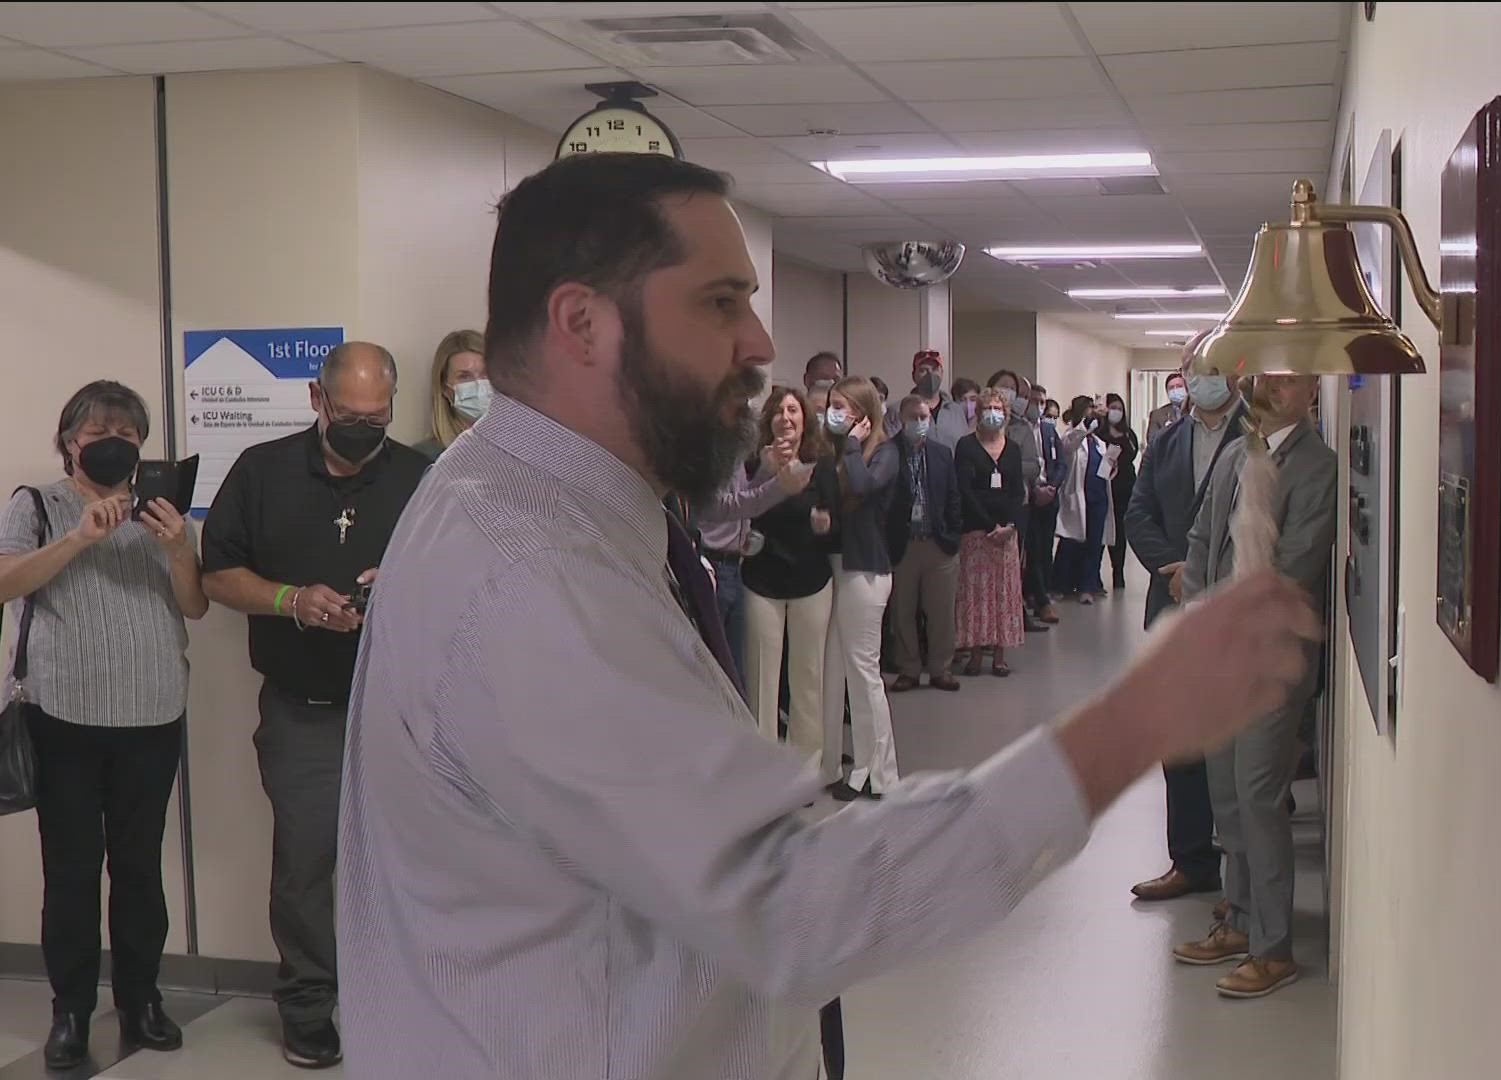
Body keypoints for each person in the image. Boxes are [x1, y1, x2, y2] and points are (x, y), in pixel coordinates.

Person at [334, 151, 1321, 1080]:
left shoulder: (539, 509)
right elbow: (791, 898)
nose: (760, 346)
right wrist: (1136, 721)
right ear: (583, 323)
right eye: (721, 304)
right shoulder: (523, 575)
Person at [200, 341, 430, 1070]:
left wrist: (401, 584)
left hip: (400, 709)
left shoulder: (422, 478)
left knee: (406, 862)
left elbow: (464, 576)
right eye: (349, 414)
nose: (365, 427)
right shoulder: (262, 472)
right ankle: (307, 1007)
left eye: (378, 414)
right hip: (304, 710)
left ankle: (401, 999)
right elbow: (217, 574)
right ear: (316, 401)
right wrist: (290, 601)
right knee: (305, 862)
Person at [0, 382, 206, 1069]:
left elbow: (195, 607)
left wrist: (179, 548)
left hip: (152, 715)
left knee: (141, 869)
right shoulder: (36, 503)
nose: (114, 439)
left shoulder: (161, 512)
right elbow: (5, 582)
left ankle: (142, 1000)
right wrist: (79, 539)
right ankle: (72, 1014)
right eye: (99, 429)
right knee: (72, 873)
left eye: (128, 430)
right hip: (63, 720)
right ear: (69, 441)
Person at [1173, 373, 1337, 999]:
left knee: (1259, 794)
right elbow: (1200, 541)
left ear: (1311, 392)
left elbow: (1294, 567)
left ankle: (1273, 948)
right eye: (1264, 376)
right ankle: (1239, 922)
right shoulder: (1241, 452)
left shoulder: (1316, 465)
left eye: (1289, 380)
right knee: (1226, 791)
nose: (1273, 388)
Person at [1124, 359, 1249, 903]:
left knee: (1235, 740)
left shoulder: (1258, 437)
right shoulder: (1167, 441)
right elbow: (1137, 513)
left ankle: (1242, 867)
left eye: (1217, 369)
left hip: (1233, 607)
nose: (1206, 380)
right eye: (1196, 370)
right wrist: (1173, 568)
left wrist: (1199, 575)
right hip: (1172, 604)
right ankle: (1191, 858)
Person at [739, 387, 838, 772]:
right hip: (761, 579)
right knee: (762, 678)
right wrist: (766, 471)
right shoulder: (752, 462)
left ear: (804, 419)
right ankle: (765, 769)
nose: (786, 416)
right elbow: (738, 506)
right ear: (769, 420)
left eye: (793, 409)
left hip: (810, 580)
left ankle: (805, 767)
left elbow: (834, 517)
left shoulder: (820, 462)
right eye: (779, 410)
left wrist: (824, 524)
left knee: (807, 678)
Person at [819, 375, 901, 801]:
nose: (834, 412)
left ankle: (877, 772)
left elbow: (866, 488)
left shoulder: (883, 452)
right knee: (835, 670)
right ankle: (833, 763)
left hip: (866, 574)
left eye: (843, 406)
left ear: (864, 414)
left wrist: (853, 447)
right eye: (832, 405)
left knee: (864, 674)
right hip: (834, 567)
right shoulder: (834, 452)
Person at [690, 435, 815, 671]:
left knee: (735, 667)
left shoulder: (733, 446)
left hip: (735, 566)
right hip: (712, 564)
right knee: (714, 667)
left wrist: (765, 473)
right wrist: (778, 486)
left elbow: (743, 498)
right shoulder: (706, 444)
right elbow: (718, 506)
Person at [884, 393, 963, 693]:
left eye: (924, 417)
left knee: (941, 612)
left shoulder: (942, 453)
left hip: (938, 543)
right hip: (903, 546)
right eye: (913, 418)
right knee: (903, 612)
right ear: (901, 420)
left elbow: (954, 497)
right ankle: (909, 668)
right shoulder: (888, 452)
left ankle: (941, 668)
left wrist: (953, 534)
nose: (919, 423)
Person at [952, 388, 1027, 678]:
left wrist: (1008, 525)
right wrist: (989, 526)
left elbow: (1017, 490)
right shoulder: (966, 446)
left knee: (1003, 592)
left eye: (998, 408)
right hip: (975, 531)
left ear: (1005, 414)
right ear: (979, 414)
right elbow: (965, 490)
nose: (993, 413)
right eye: (987, 408)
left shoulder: (1014, 449)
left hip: (1006, 533)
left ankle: (999, 655)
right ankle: (974, 653)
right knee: (975, 593)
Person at [985, 370, 1047, 634]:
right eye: (1004, 388)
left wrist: (1005, 465)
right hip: (983, 503)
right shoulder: (979, 424)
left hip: (1015, 502)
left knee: (1013, 564)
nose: (1010, 394)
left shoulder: (1022, 428)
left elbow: (1033, 466)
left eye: (1015, 391)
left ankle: (1016, 615)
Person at [1052, 396, 1118, 604]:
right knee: (1070, 543)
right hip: (1078, 497)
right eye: (1089, 409)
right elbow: (1069, 447)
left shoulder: (1098, 442)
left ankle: (1087, 587)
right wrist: (1085, 425)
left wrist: (1111, 466)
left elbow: (1103, 468)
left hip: (1098, 498)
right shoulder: (1071, 436)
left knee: (1095, 544)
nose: (1094, 413)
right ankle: (1060, 585)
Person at [1023, 380, 1066, 625]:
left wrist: (1052, 487)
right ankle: (1040, 601)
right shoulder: (1018, 429)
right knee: (1033, 550)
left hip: (1049, 497)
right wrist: (1035, 490)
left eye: (1042, 402)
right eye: (1034, 402)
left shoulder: (1049, 430)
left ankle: (1042, 594)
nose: (1038, 407)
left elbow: (1061, 463)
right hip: (1029, 497)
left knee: (1045, 550)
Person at [413, 329, 488, 461]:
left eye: (486, 374)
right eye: (464, 377)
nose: (479, 384)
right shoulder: (425, 457)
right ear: (445, 388)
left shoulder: (520, 446)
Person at [1100, 393, 1142, 592]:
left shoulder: (1128, 434)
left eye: (1119, 408)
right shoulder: (1099, 432)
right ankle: (1094, 576)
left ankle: (1118, 572)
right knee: (1102, 530)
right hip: (1104, 485)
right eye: (1112, 407)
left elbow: (1133, 454)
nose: (1116, 412)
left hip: (1125, 486)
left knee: (1120, 531)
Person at [908, 350, 974, 450]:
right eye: (923, 370)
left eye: (935, 369)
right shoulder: (900, 410)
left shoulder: (956, 411)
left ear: (942, 373)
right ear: (914, 375)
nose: (930, 374)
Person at [1147, 372, 1188, 439]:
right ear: (1167, 392)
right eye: (1171, 388)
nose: (1175, 390)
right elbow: (1152, 441)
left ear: (1187, 389)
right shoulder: (1157, 415)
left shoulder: (1196, 411)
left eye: (1179, 386)